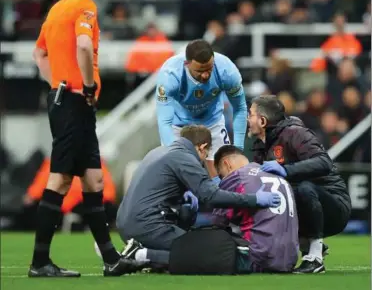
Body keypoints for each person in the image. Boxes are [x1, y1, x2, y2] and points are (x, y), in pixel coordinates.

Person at [29, 0, 142, 277]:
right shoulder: (85, 8)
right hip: (76, 101)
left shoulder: (56, 9)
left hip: (65, 99)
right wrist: (87, 86)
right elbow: (83, 47)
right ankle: (39, 263)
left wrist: (55, 84)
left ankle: (111, 260)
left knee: (93, 179)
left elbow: (39, 53)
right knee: (61, 178)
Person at [116, 125, 281, 268]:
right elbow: (211, 196)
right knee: (205, 253)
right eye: (206, 153)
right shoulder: (184, 158)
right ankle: (140, 255)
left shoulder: (159, 151)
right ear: (202, 147)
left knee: (189, 238)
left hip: (127, 224)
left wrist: (182, 200)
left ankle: (141, 253)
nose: (204, 160)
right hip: (147, 226)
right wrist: (255, 199)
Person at [249, 95, 351, 274]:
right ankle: (303, 243)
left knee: (304, 188)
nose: (248, 119)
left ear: (263, 120)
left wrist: (286, 169)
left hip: (333, 205)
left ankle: (315, 257)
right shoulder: (261, 145)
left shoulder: (295, 133)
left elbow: (324, 163)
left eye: (251, 114)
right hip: (303, 204)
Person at [156, 39, 247, 178]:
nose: (205, 75)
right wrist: (173, 156)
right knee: (176, 173)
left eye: (209, 69)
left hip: (212, 122)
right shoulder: (170, 76)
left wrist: (238, 149)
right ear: (187, 64)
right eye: (200, 71)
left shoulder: (227, 71)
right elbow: (164, 122)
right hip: (178, 125)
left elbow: (240, 108)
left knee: (228, 172)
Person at [213, 145, 299, 273]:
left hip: (257, 259)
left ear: (227, 164)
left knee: (211, 236)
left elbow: (217, 222)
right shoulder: (278, 175)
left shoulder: (236, 177)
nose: (222, 179)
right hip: (289, 260)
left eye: (221, 175)